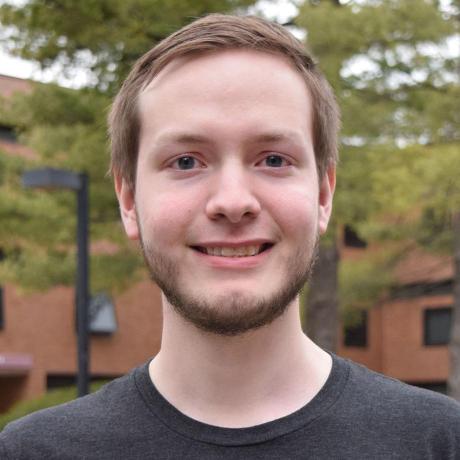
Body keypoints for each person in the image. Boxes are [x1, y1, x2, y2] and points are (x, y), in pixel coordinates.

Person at [1, 14, 459, 460]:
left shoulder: (440, 443)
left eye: (273, 159)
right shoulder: (32, 452)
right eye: (186, 161)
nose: (233, 201)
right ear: (128, 199)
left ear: (323, 195)